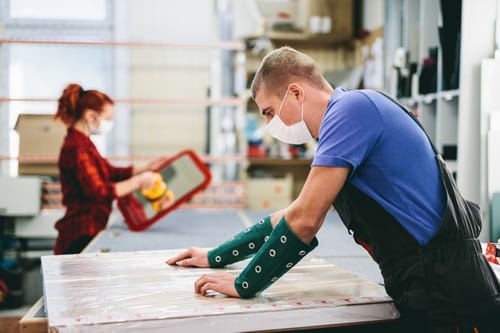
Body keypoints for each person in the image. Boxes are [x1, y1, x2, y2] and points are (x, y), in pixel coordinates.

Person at [167, 47, 500, 332]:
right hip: (427, 283)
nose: (271, 125)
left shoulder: (350, 111)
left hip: (451, 293)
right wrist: (216, 256)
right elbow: (298, 211)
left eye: (270, 112)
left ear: (296, 93)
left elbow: (306, 220)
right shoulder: (347, 121)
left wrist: (245, 284)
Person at [53, 83, 165, 255]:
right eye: (107, 118)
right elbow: (99, 191)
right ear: (91, 116)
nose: (109, 124)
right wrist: (138, 182)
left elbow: (110, 173)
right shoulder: (76, 147)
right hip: (81, 232)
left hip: (90, 227)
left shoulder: (85, 144)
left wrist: (145, 169)